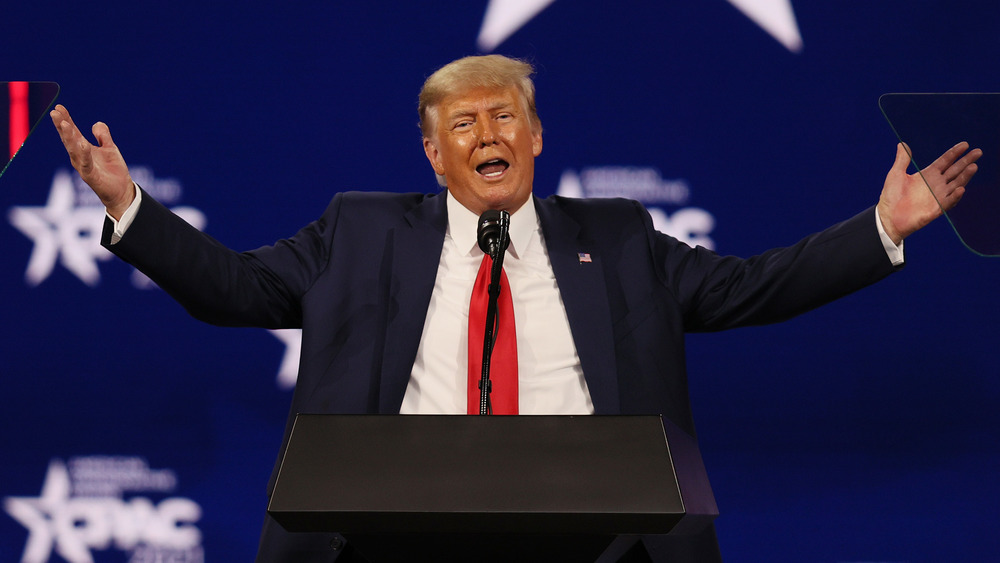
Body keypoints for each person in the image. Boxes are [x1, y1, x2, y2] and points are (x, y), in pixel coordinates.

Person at [51, 55, 980, 562]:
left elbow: (747, 288)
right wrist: (130, 209)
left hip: (594, 539)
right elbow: (236, 290)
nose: (487, 135)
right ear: (431, 154)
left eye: (504, 118)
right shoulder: (360, 232)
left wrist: (881, 228)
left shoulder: (616, 236)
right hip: (389, 539)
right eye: (463, 124)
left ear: (536, 137)